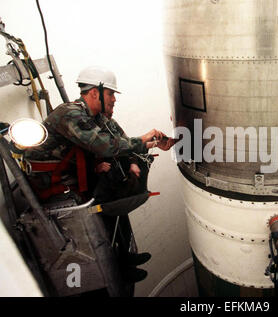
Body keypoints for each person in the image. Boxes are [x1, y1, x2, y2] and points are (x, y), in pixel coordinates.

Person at [25, 65, 175, 284]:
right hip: (54, 181)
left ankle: (125, 256)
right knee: (106, 204)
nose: (114, 99)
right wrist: (143, 141)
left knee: (119, 199)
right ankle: (119, 266)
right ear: (94, 92)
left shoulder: (99, 118)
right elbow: (104, 145)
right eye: (111, 94)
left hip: (77, 172)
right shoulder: (70, 113)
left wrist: (142, 152)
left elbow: (120, 140)